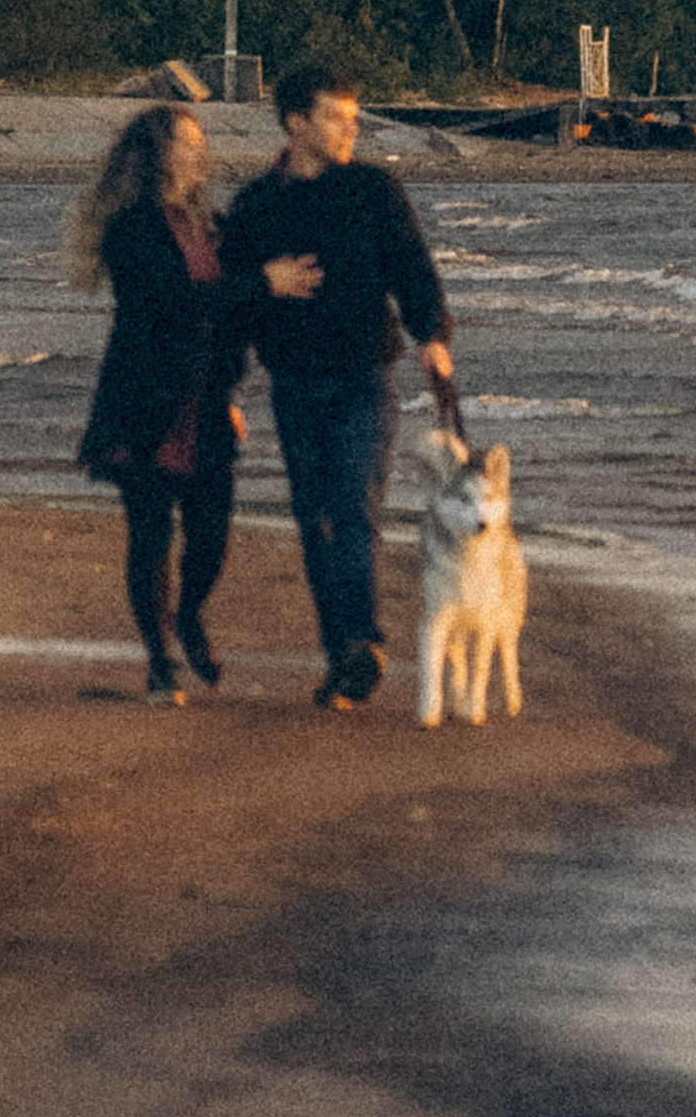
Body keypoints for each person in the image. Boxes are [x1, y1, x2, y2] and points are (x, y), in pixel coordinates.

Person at [218, 64, 454, 709]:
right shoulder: (257, 204)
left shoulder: (374, 189)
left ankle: (362, 644)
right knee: (313, 518)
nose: (351, 129)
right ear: (295, 123)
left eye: (354, 118)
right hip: (293, 379)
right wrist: (227, 386)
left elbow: (411, 265)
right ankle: (341, 652)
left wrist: (432, 335)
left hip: (364, 376)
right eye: (336, 117)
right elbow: (231, 307)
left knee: (353, 507)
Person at [72, 104, 322, 703]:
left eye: (199, 140)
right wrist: (264, 282)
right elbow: (174, 301)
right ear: (157, 153)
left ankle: (187, 614)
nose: (200, 150)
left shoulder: (211, 225)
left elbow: (232, 316)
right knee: (151, 536)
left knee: (211, 536)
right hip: (142, 402)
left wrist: (235, 386)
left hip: (206, 402)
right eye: (187, 141)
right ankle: (160, 661)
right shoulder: (130, 228)